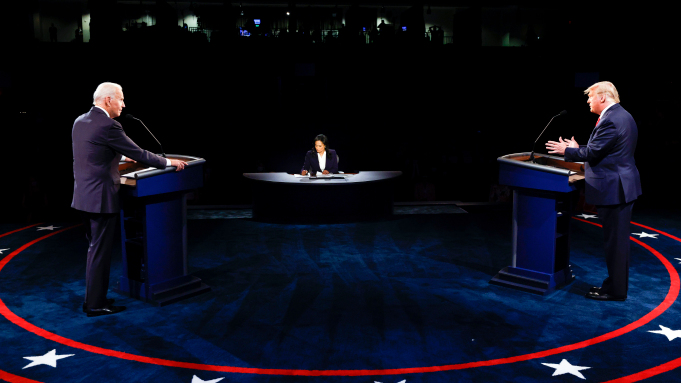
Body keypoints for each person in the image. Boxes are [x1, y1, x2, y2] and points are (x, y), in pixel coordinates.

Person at [72, 82, 187, 317]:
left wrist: (119, 154)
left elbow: (93, 151)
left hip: (84, 197)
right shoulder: (109, 125)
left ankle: (92, 299)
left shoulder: (80, 121)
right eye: (121, 99)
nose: (123, 104)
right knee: (100, 252)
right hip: (101, 198)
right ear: (108, 100)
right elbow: (140, 153)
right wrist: (168, 162)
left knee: (94, 250)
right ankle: (95, 305)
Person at [546, 81, 642, 301]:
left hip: (616, 189)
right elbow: (603, 151)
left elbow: (595, 152)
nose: (588, 101)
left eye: (590, 97)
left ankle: (616, 291)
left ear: (602, 97)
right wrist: (579, 148)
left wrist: (568, 151)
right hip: (620, 187)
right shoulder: (620, 115)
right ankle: (612, 286)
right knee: (614, 242)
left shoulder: (612, 120)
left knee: (615, 244)